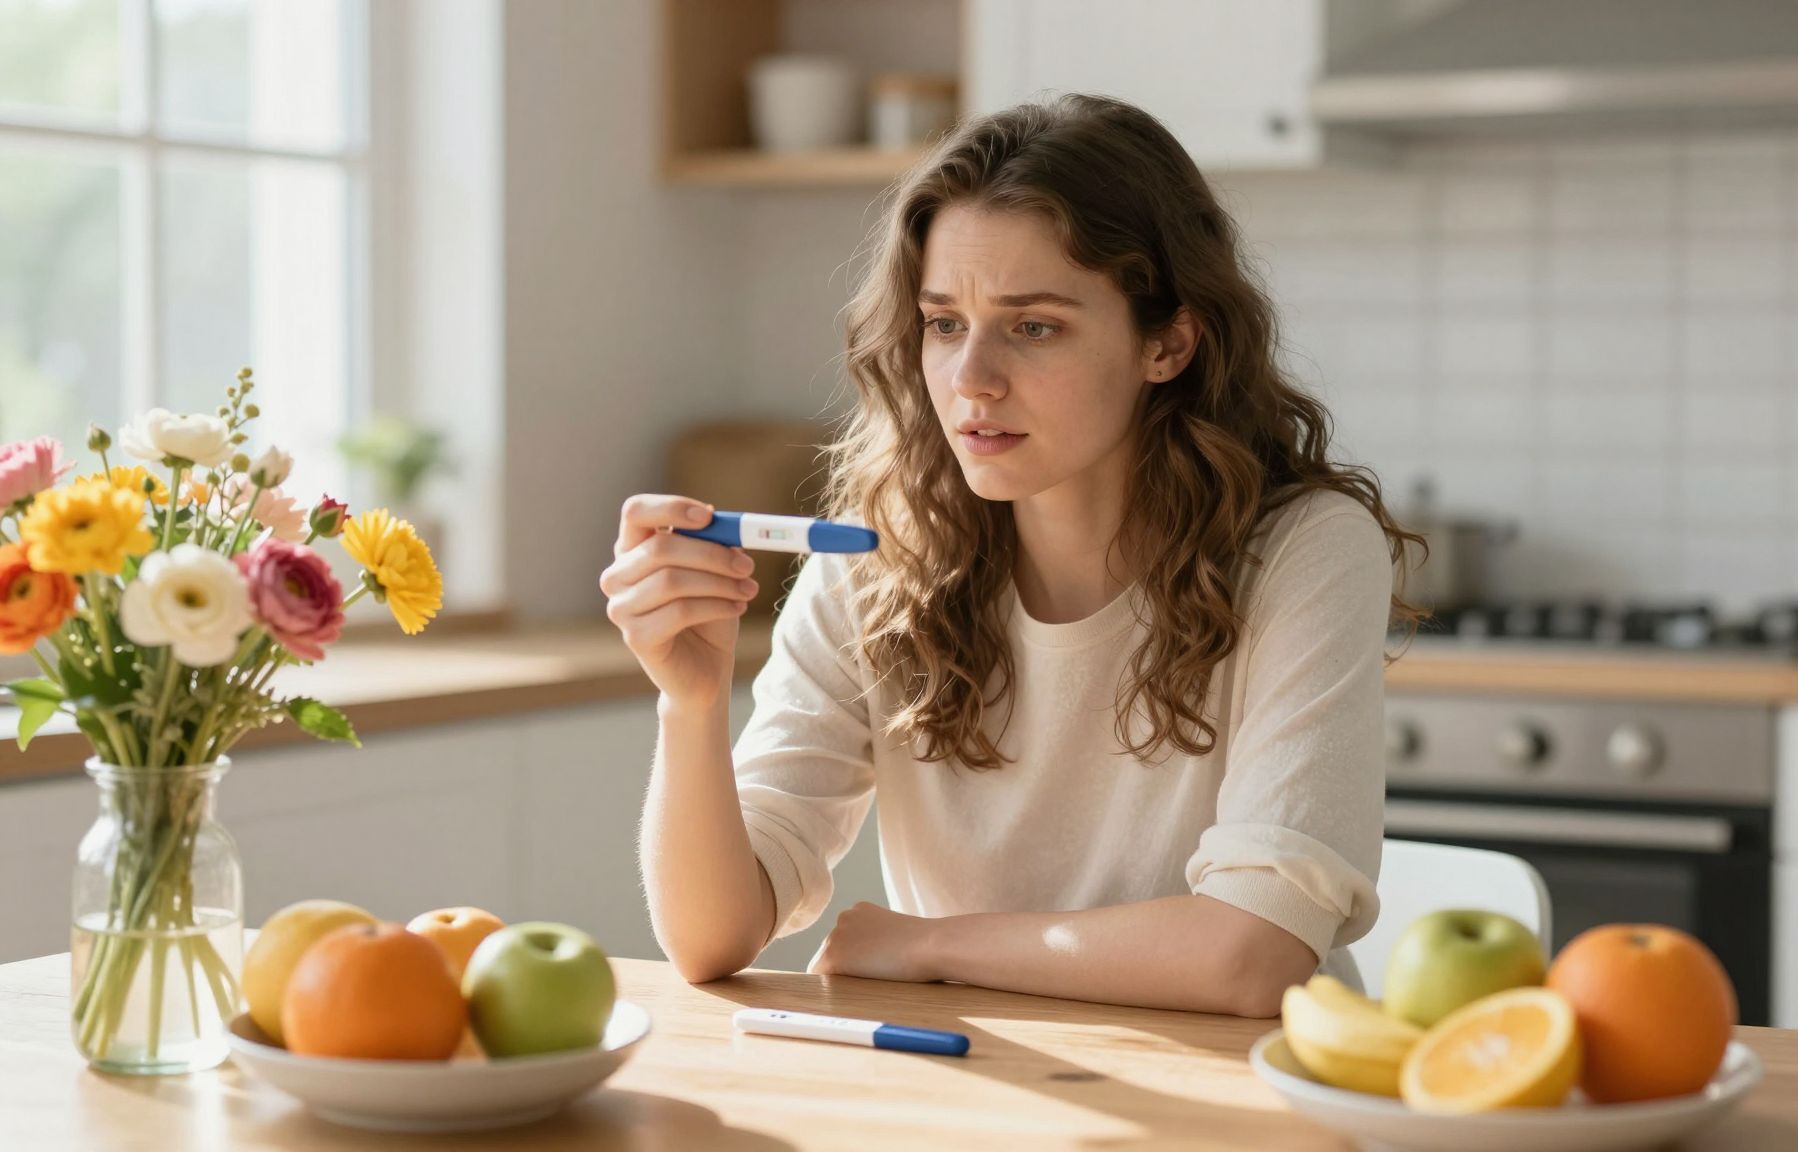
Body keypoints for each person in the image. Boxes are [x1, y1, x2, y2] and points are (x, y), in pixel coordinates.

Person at [601, 94, 1420, 1018]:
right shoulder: (879, 551)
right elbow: (710, 935)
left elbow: (1249, 956)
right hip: (978, 1082)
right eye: (944, 323)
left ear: (1168, 343)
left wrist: (932, 945)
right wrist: (691, 701)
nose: (971, 379)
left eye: (1034, 327)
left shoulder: (1301, 550)